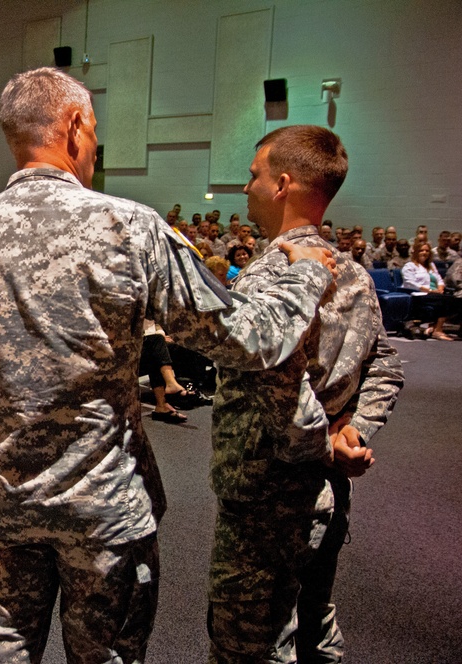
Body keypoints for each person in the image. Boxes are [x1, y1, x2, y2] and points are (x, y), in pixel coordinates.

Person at [0, 67, 338, 663]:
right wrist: (308, 270)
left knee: (1, 652)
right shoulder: (131, 229)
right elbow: (251, 339)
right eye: (96, 127)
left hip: (2, 503)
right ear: (75, 126)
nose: (97, 143)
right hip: (103, 508)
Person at [207, 125, 404, 662]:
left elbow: (278, 392)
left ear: (283, 185)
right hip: (327, 490)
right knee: (316, 627)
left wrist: (327, 444)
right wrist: (352, 432)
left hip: (266, 496)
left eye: (254, 176)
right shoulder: (356, 276)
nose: (245, 188)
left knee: (251, 644)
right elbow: (386, 367)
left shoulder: (269, 276)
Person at [401, 242, 455, 340]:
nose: (424, 252)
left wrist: (440, 288)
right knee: (445, 300)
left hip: (435, 294)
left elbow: (439, 279)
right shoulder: (410, 266)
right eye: (421, 250)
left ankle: (433, 328)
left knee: (453, 299)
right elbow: (410, 283)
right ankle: (437, 330)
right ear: (416, 252)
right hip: (419, 295)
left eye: (426, 250)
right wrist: (430, 290)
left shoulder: (431, 266)